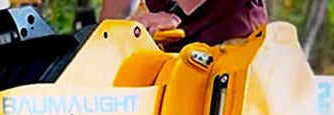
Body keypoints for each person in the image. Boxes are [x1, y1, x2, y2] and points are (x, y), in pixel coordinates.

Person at [100, 0, 268, 46]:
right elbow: (115, 14)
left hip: (230, 39)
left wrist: (174, 13)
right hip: (172, 48)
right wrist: (105, 37)